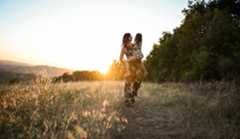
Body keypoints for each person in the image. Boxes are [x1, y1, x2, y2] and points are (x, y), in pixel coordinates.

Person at [119, 33, 145, 105]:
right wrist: (125, 63)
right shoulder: (124, 48)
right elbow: (120, 59)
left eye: (131, 37)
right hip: (129, 65)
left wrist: (139, 39)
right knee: (128, 81)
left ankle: (133, 93)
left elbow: (139, 52)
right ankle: (127, 98)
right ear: (127, 38)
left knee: (139, 78)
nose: (131, 38)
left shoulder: (134, 45)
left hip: (136, 64)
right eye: (130, 37)